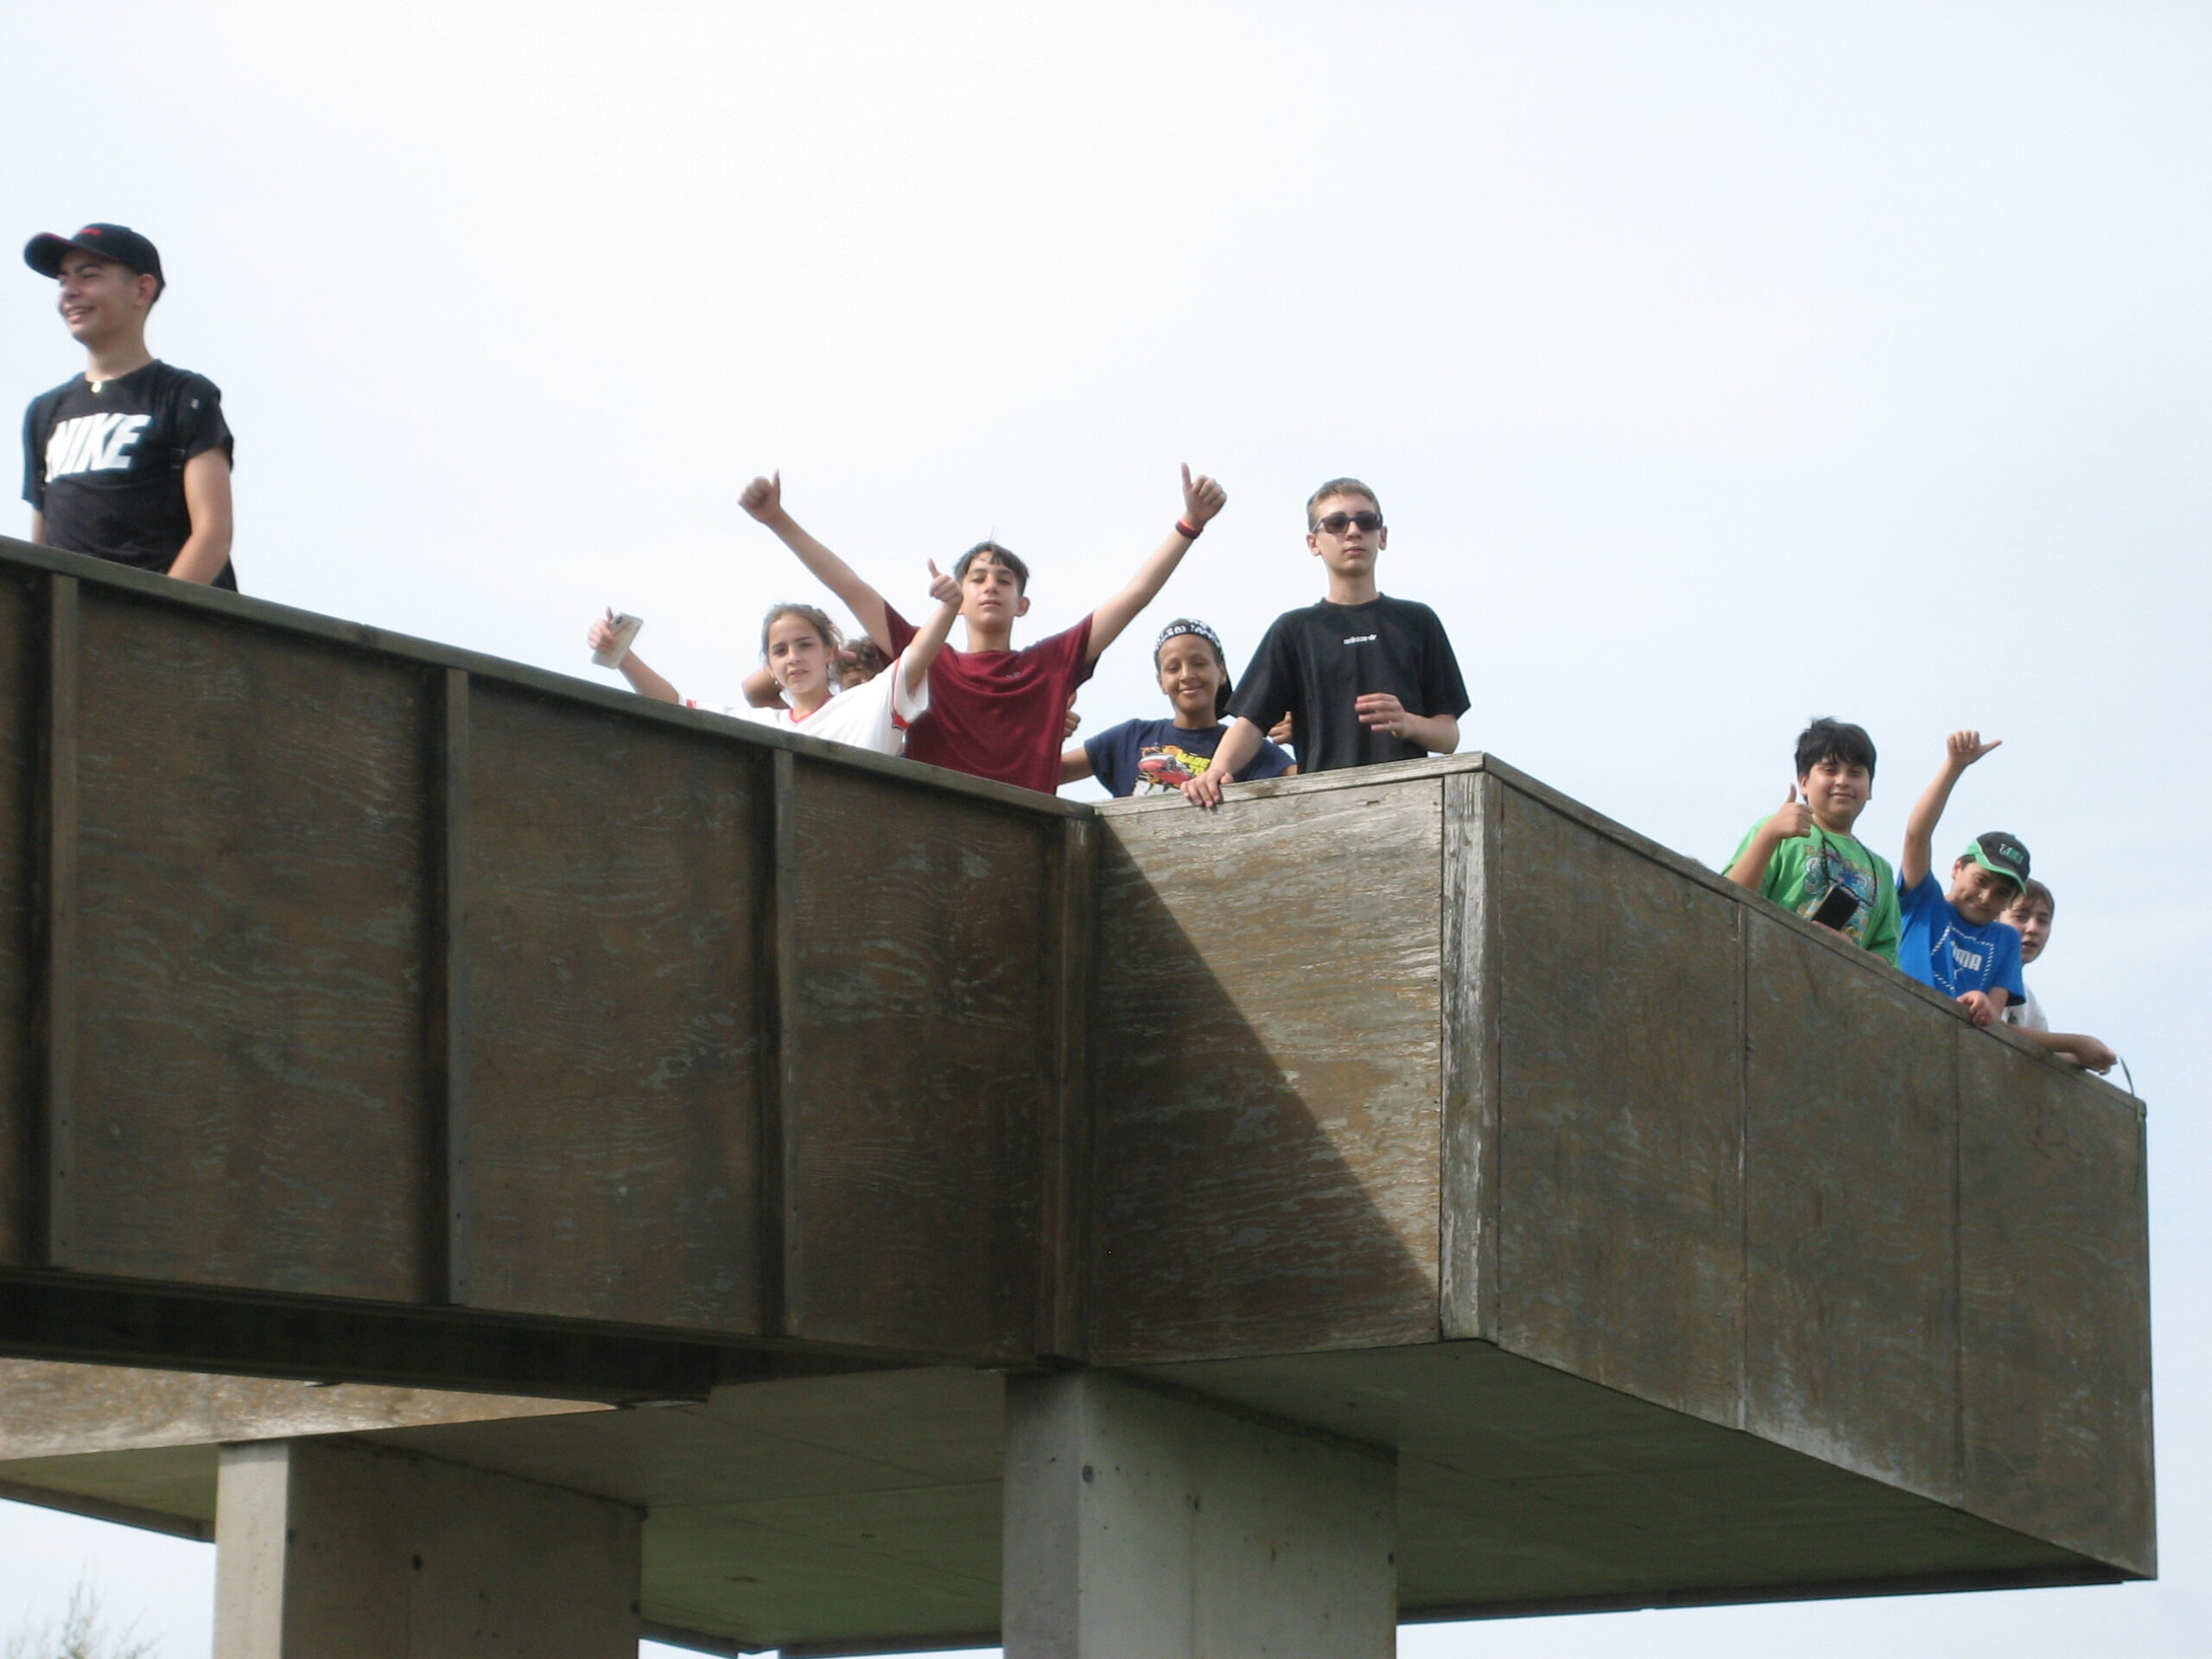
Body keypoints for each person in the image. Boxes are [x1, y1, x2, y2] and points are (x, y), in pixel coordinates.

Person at [738, 465, 1227, 795]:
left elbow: (1135, 595)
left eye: (1004, 580)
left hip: (1029, 836)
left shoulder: (1052, 663)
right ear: (958, 598)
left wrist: (1190, 523)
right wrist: (776, 518)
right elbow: (850, 588)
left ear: (1022, 604)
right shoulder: (926, 657)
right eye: (977, 578)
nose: (990, 586)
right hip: (937, 832)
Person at [1180, 477, 1465, 809]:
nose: (1353, 531)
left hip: (1408, 806)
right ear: (1313, 542)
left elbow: (1448, 737)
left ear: (1382, 536)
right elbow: (1251, 723)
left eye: (1367, 521)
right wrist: (1216, 772)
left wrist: (1407, 722)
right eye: (1336, 523)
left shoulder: (1417, 621)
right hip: (1324, 809)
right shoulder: (1294, 630)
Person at [20, 223, 236, 588]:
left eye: (89, 275)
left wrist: (153, 610)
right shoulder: (44, 412)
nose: (70, 291)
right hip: (70, 617)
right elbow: (41, 544)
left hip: (159, 617)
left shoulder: (184, 396)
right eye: (63, 280)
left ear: (141, 289)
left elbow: (212, 534)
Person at [584, 564, 959, 757]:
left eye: (805, 645)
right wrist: (622, 653)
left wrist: (949, 606)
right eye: (780, 651)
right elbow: (674, 705)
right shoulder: (762, 724)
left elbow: (918, 653)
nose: (793, 658)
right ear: (770, 665)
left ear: (829, 652)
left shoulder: (870, 701)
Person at [1722, 716, 1900, 959]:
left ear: (1869, 788)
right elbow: (1725, 900)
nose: (1843, 781)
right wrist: (1770, 835)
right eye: (1830, 770)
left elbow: (1888, 958)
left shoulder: (1882, 870)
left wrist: (1850, 954)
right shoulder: (1776, 831)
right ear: (1804, 782)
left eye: (1855, 773)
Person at [1063, 618, 1295, 798]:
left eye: (1199, 663)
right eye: (1173, 668)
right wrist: (1049, 728)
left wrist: (1302, 734)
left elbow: (1309, 784)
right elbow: (1053, 772)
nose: (1186, 675)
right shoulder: (1129, 737)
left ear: (1221, 672)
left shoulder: (1247, 746)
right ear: (1161, 682)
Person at [1896, 730, 2029, 1027]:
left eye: (2001, 893)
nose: (1986, 897)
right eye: (1981, 881)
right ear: (1957, 867)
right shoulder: (1924, 902)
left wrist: (1983, 1005)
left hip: (1950, 1043)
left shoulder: (2007, 940)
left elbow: (1993, 1017)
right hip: (1898, 1019)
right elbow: (1917, 835)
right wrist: (1954, 766)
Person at [1998, 880, 2119, 1072]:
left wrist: (2080, 1057)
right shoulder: (1977, 971)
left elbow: (2039, 1048)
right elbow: (1990, 1029)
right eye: (2020, 916)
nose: (2032, 928)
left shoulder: (2028, 1000)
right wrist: (2073, 1043)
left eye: (2043, 921)